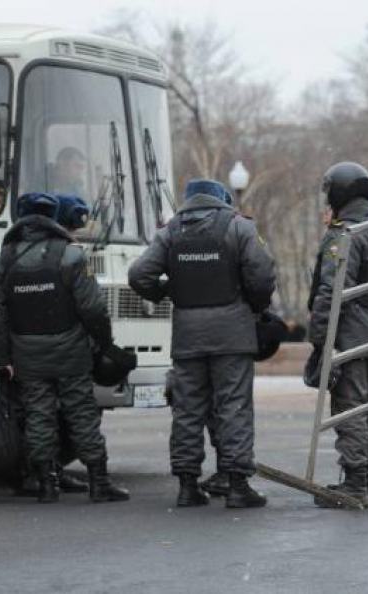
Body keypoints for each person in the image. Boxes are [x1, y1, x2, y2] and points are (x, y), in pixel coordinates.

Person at [128, 179, 276, 508]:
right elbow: (263, 274)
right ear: (222, 199)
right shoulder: (239, 227)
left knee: (187, 409)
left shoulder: (170, 232)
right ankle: (237, 485)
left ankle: (187, 486)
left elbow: (139, 275)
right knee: (234, 406)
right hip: (232, 335)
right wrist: (254, 304)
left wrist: (170, 292)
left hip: (187, 335)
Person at [0, 192, 128, 504]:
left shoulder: (2, 260)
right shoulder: (71, 256)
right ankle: (98, 483)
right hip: (71, 351)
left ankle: (47, 485)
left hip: (26, 353)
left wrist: (3, 359)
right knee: (81, 413)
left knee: (39, 414)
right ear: (51, 218)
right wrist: (104, 344)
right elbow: (92, 309)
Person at [307, 162, 368, 508]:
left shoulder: (345, 233)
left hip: (352, 335)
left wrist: (319, 339)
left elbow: (332, 291)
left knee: (351, 408)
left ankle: (356, 483)